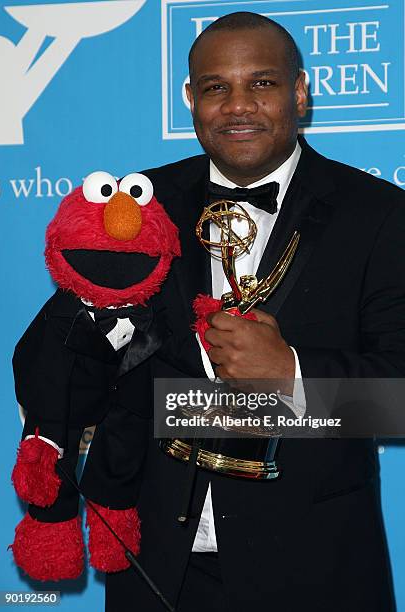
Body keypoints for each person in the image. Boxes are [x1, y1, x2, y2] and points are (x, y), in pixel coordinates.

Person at [106, 12, 405, 611]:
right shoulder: (136, 205)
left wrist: (291, 377)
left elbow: (398, 400)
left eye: (261, 84)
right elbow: (94, 358)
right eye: (216, 87)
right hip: (156, 569)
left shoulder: (380, 216)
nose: (237, 106)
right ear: (191, 98)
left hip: (314, 569)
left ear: (299, 92)